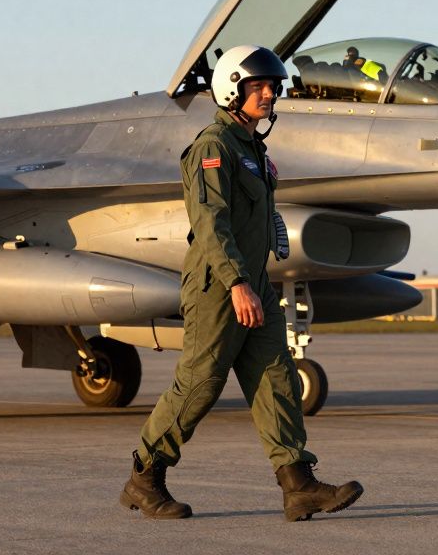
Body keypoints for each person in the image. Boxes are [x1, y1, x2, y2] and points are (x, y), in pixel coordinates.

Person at [121, 45, 363, 521]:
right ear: (233, 89)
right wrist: (236, 284)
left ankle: (299, 485)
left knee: (277, 378)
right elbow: (211, 222)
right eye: (259, 86)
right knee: (200, 384)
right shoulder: (213, 147)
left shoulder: (253, 148)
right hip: (218, 285)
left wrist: (255, 277)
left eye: (273, 85)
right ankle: (144, 478)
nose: (270, 93)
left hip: (253, 281)